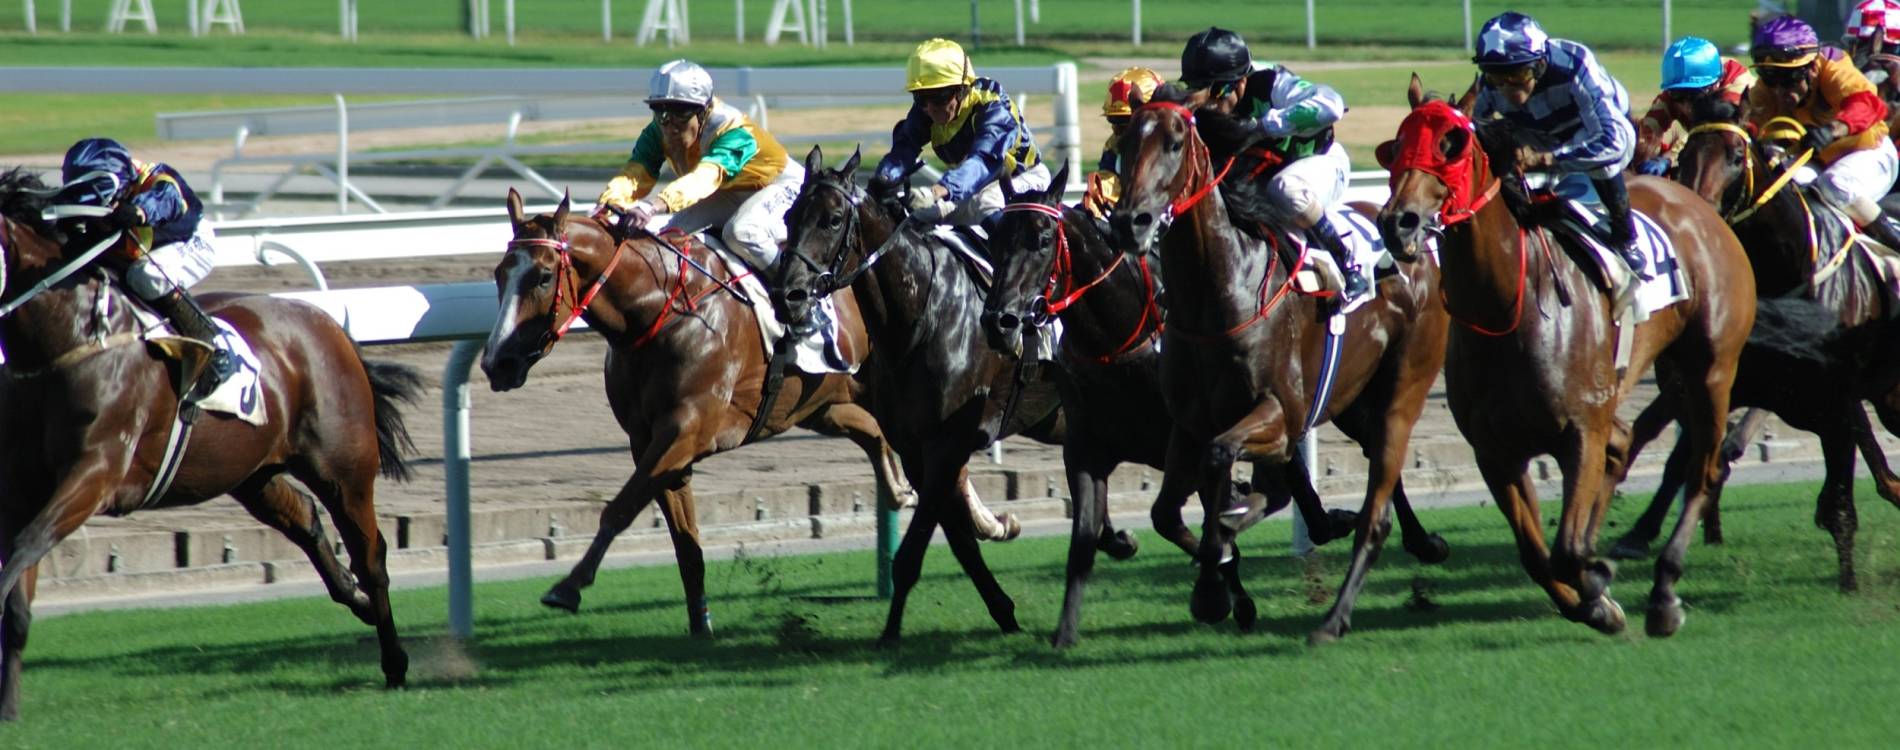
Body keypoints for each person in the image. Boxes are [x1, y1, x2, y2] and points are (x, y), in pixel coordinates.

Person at [1175, 27, 1364, 302]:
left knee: (1285, 188)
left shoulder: (1272, 82)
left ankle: (1346, 261)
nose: (1209, 102)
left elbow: (1332, 105)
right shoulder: (1204, 106)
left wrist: (1264, 127)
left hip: (1318, 163)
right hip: (1258, 180)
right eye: (1198, 89)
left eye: (1217, 90)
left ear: (1241, 82)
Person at [1472, 11, 1649, 282]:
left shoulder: (1575, 63)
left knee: (1605, 162)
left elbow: (1612, 142)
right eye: (1497, 77)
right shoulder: (1488, 86)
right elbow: (1472, 137)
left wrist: (1549, 160)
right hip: (1537, 132)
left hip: (1593, 129)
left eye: (1519, 73)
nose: (1509, 88)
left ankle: (1626, 236)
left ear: (1540, 63)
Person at [54, 137, 235, 395]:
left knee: (145, 275)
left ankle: (213, 346)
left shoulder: (159, 179)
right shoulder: (93, 185)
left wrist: (138, 212)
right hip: (144, 249)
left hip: (190, 241)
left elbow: (166, 201)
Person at [594, 59, 800, 273]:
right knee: (667, 239)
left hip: (784, 188)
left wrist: (653, 205)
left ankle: (803, 296)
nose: (670, 125)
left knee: (741, 232)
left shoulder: (734, 131)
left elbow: (705, 178)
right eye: (660, 111)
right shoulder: (657, 132)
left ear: (704, 111)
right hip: (728, 192)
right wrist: (608, 204)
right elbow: (633, 176)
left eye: (680, 113)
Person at [1747, 16, 1900, 249]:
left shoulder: (1834, 66)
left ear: (1811, 67)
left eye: (1789, 77)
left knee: (1836, 184)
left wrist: (1832, 130)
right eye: (1770, 78)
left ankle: (1894, 246)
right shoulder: (1764, 92)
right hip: (1820, 161)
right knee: (1784, 189)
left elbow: (1870, 105)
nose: (1779, 89)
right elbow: (1750, 130)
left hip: (1870, 152)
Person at [874, 38, 1050, 232]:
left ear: (962, 89)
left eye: (939, 96)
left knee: (985, 202)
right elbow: (904, 149)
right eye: (920, 97)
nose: (930, 107)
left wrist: (938, 191)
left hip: (1025, 180)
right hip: (969, 190)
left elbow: (984, 160)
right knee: (915, 217)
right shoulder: (925, 110)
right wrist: (883, 180)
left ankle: (1016, 261)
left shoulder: (991, 106)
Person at [1636, 37, 1757, 176]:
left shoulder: (1737, 83)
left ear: (1715, 84)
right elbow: (1647, 130)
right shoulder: (1677, 89)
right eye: (1678, 94)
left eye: (1694, 95)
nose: (1686, 105)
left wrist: (1669, 157)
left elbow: (1710, 133)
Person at [1082, 67, 1164, 218]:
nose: (1117, 130)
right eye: (1113, 121)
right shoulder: (1113, 144)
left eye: (1126, 122)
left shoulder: (1172, 148)